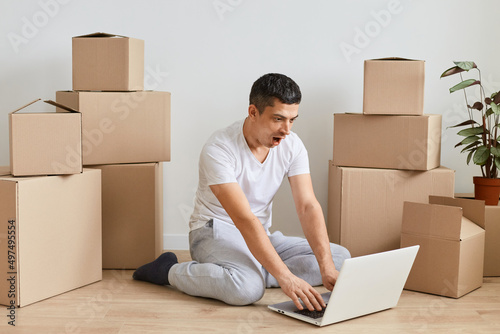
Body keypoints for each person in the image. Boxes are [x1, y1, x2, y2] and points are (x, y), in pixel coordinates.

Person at [133, 73, 350, 311]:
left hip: (260, 236)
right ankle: (168, 270)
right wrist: (286, 277)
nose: (286, 130)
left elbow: (308, 205)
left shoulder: (292, 145)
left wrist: (326, 266)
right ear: (253, 112)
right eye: (278, 119)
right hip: (214, 231)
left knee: (339, 258)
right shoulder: (219, 149)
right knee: (247, 289)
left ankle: (255, 269)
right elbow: (243, 219)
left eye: (292, 120)